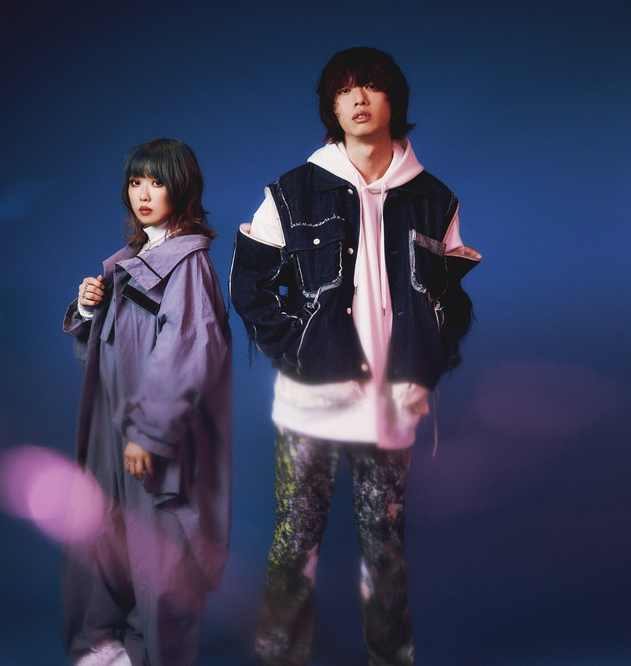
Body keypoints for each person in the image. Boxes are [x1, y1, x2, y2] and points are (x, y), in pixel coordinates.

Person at [230, 47, 481, 665]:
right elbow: (249, 287)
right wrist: (300, 351)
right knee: (295, 540)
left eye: (371, 86)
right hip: (310, 400)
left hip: (391, 400)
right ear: (331, 106)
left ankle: (390, 658)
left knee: (384, 546)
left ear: (395, 99)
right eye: (345, 90)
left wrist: (426, 367)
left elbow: (452, 302)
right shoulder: (292, 191)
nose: (359, 99)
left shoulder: (435, 199)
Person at [62, 138, 232, 666]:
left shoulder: (187, 265)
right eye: (136, 182)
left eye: (157, 182)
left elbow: (189, 352)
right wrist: (89, 310)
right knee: (107, 536)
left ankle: (153, 657)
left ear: (181, 189)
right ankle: (108, 649)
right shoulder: (134, 262)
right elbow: (108, 354)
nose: (143, 193)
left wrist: (150, 432)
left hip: (152, 433)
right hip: (111, 427)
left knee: (159, 553)